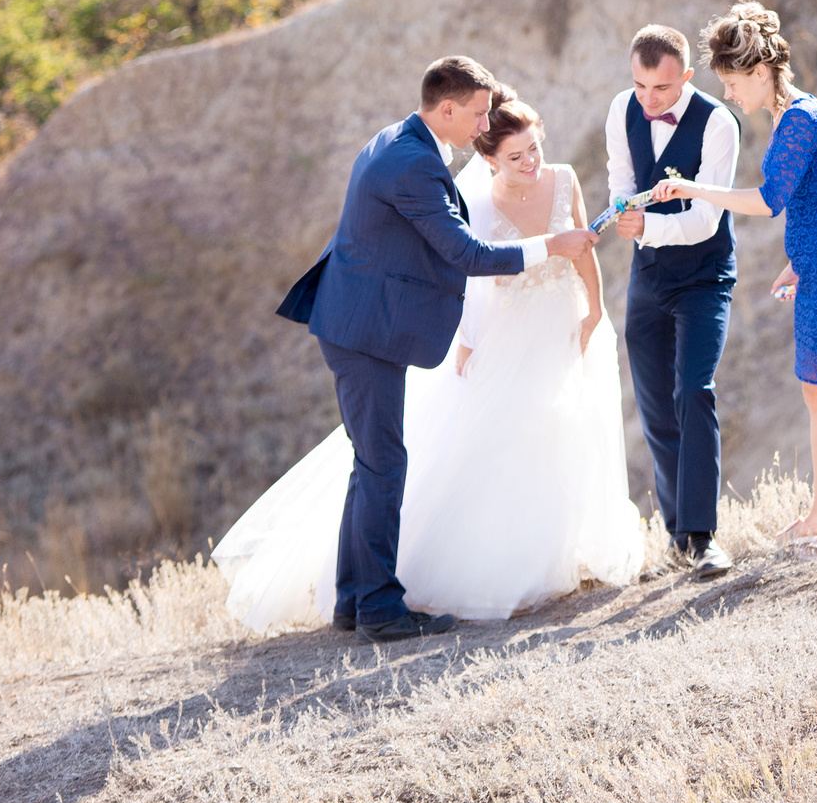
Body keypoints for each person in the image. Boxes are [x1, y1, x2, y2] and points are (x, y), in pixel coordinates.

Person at [216, 89, 644, 629]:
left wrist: (587, 300)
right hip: (365, 329)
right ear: (449, 109)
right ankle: (375, 607)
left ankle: (355, 600)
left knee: (375, 463)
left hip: (367, 319)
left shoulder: (402, 145)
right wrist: (548, 248)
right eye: (477, 116)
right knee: (384, 463)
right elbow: (467, 257)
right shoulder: (414, 163)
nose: (481, 125)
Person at [648, 3, 817, 556]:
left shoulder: (799, 120)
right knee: (816, 396)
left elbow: (769, 200)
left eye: (731, 82)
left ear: (758, 72)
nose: (729, 94)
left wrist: (696, 190)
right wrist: (798, 261)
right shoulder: (788, 116)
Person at [604, 25, 742, 579]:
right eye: (639, 85)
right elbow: (621, 179)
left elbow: (709, 217)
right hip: (647, 278)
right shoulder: (622, 108)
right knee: (657, 407)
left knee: (694, 392)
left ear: (686, 76)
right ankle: (679, 538)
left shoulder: (718, 123)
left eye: (660, 89)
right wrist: (622, 210)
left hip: (705, 278)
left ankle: (705, 538)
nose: (647, 99)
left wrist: (645, 230)